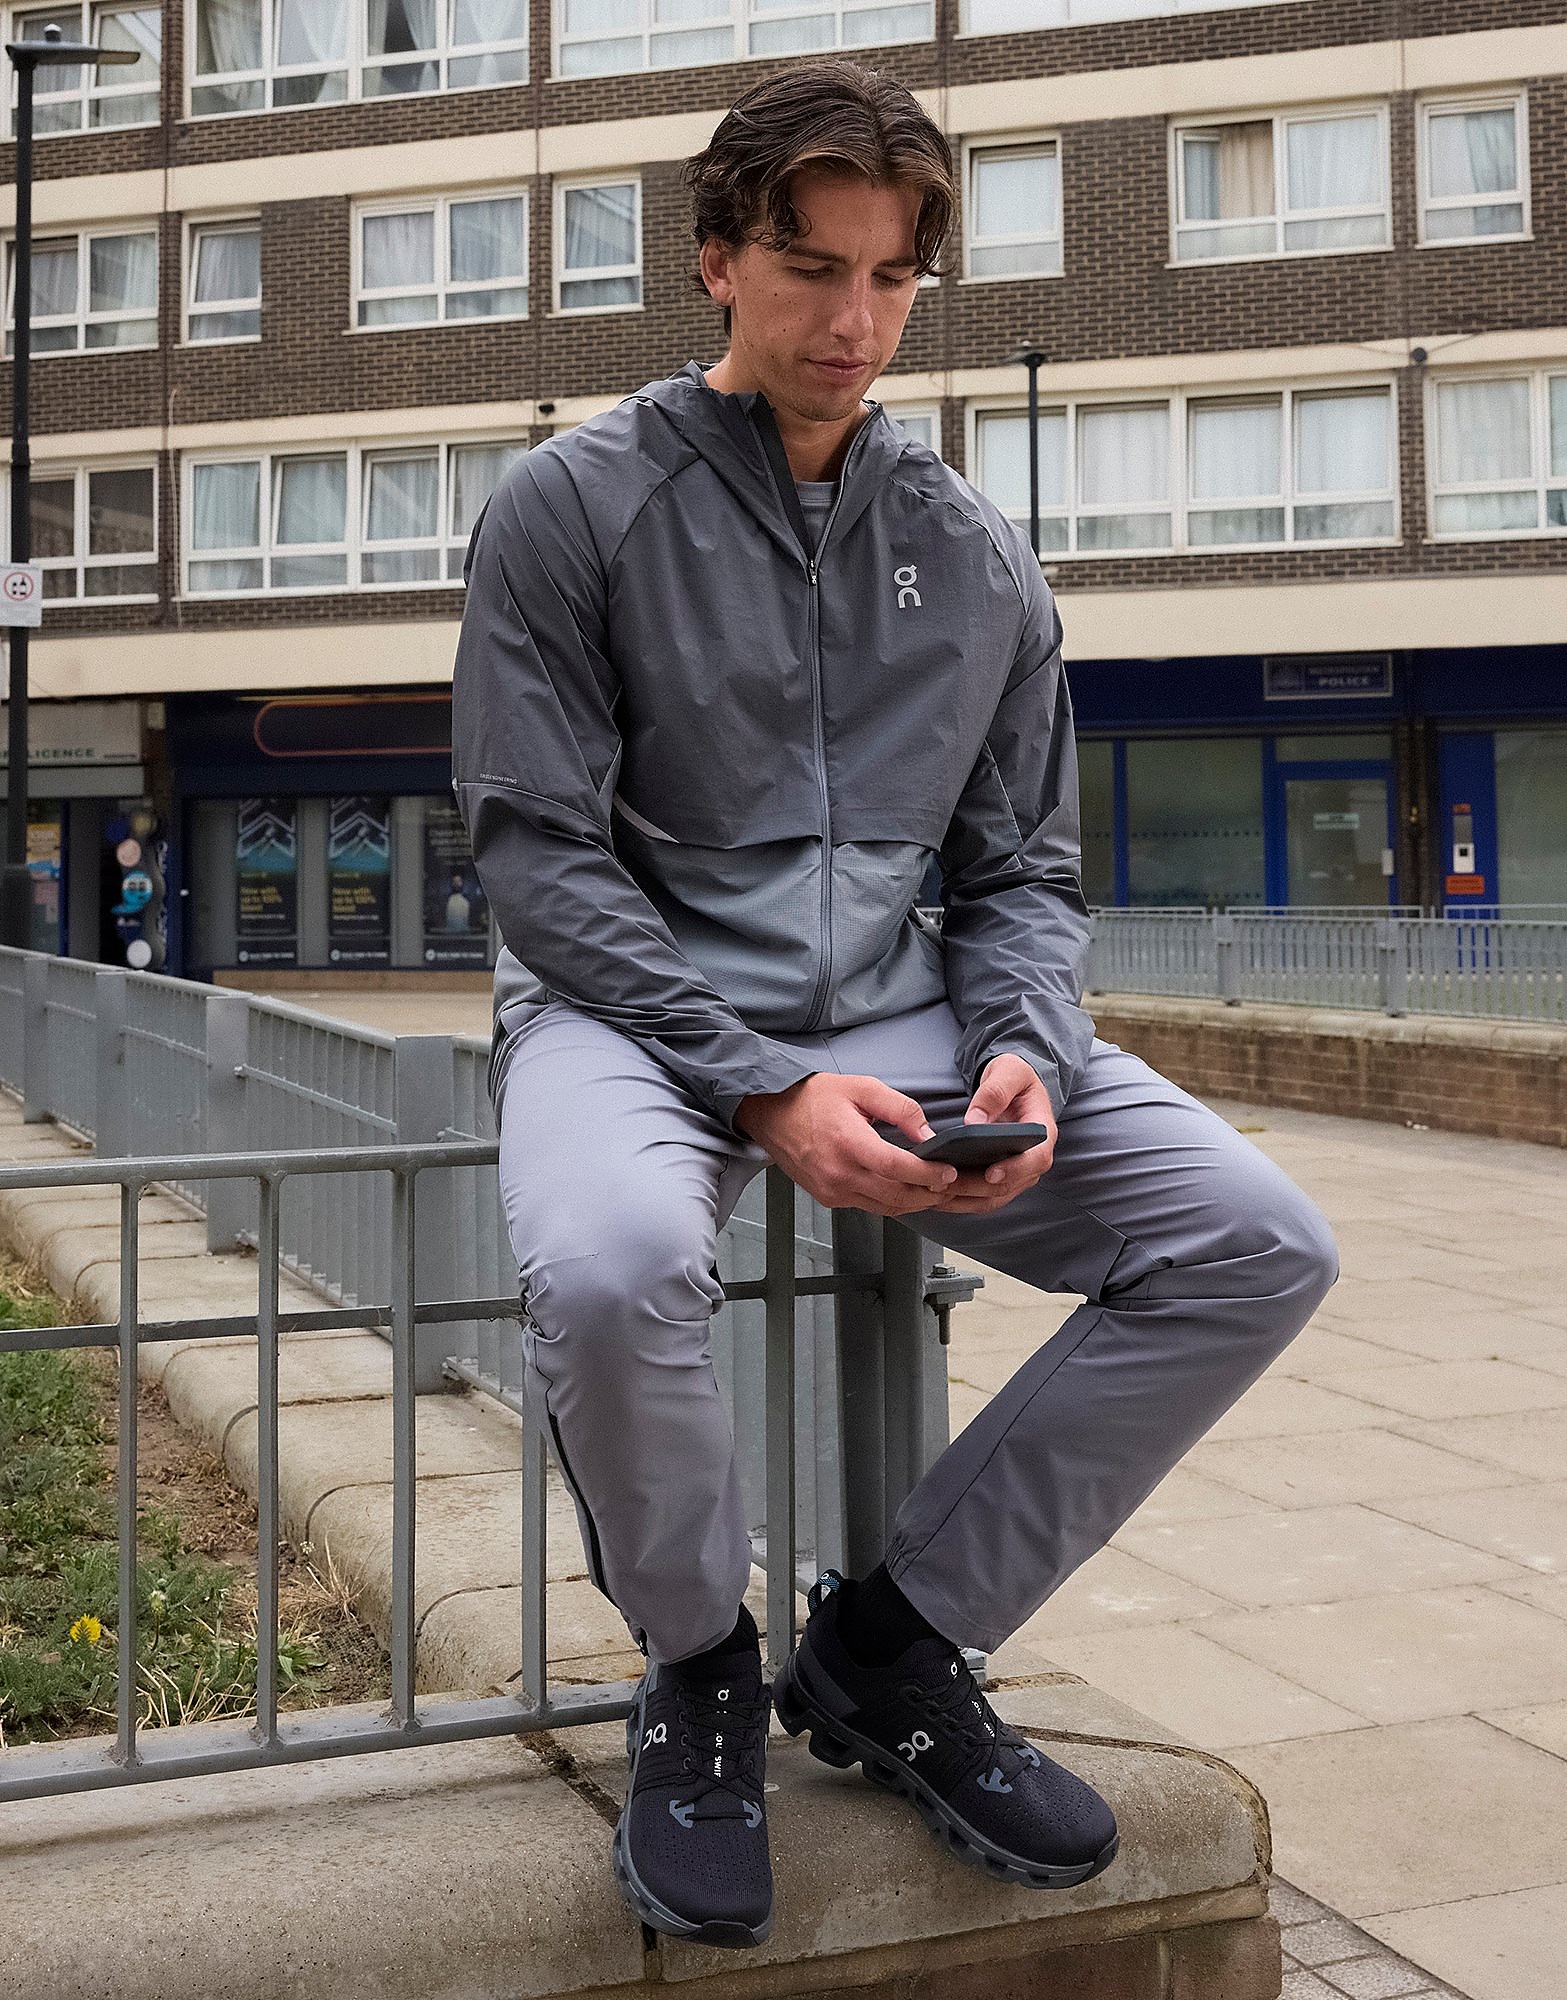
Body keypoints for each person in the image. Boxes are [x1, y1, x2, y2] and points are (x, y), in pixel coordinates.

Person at [451, 56, 1339, 1952]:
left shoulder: (980, 549)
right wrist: (763, 1091)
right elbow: (538, 859)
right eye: (810, 267)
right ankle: (698, 1665)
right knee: (612, 1268)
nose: (853, 321)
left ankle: (896, 1644)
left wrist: (1023, 1047)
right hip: (630, 1006)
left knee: (1255, 1239)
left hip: (901, 1001)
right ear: (716, 260)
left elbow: (1020, 874)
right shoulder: (568, 508)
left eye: (891, 276)